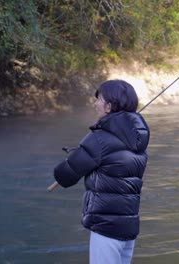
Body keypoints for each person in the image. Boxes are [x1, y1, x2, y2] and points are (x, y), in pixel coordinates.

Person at [53, 79, 150, 264]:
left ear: (109, 107)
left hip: (106, 226)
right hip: (129, 226)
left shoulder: (99, 138)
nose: (95, 103)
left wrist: (72, 158)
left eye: (99, 99)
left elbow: (66, 175)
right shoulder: (138, 140)